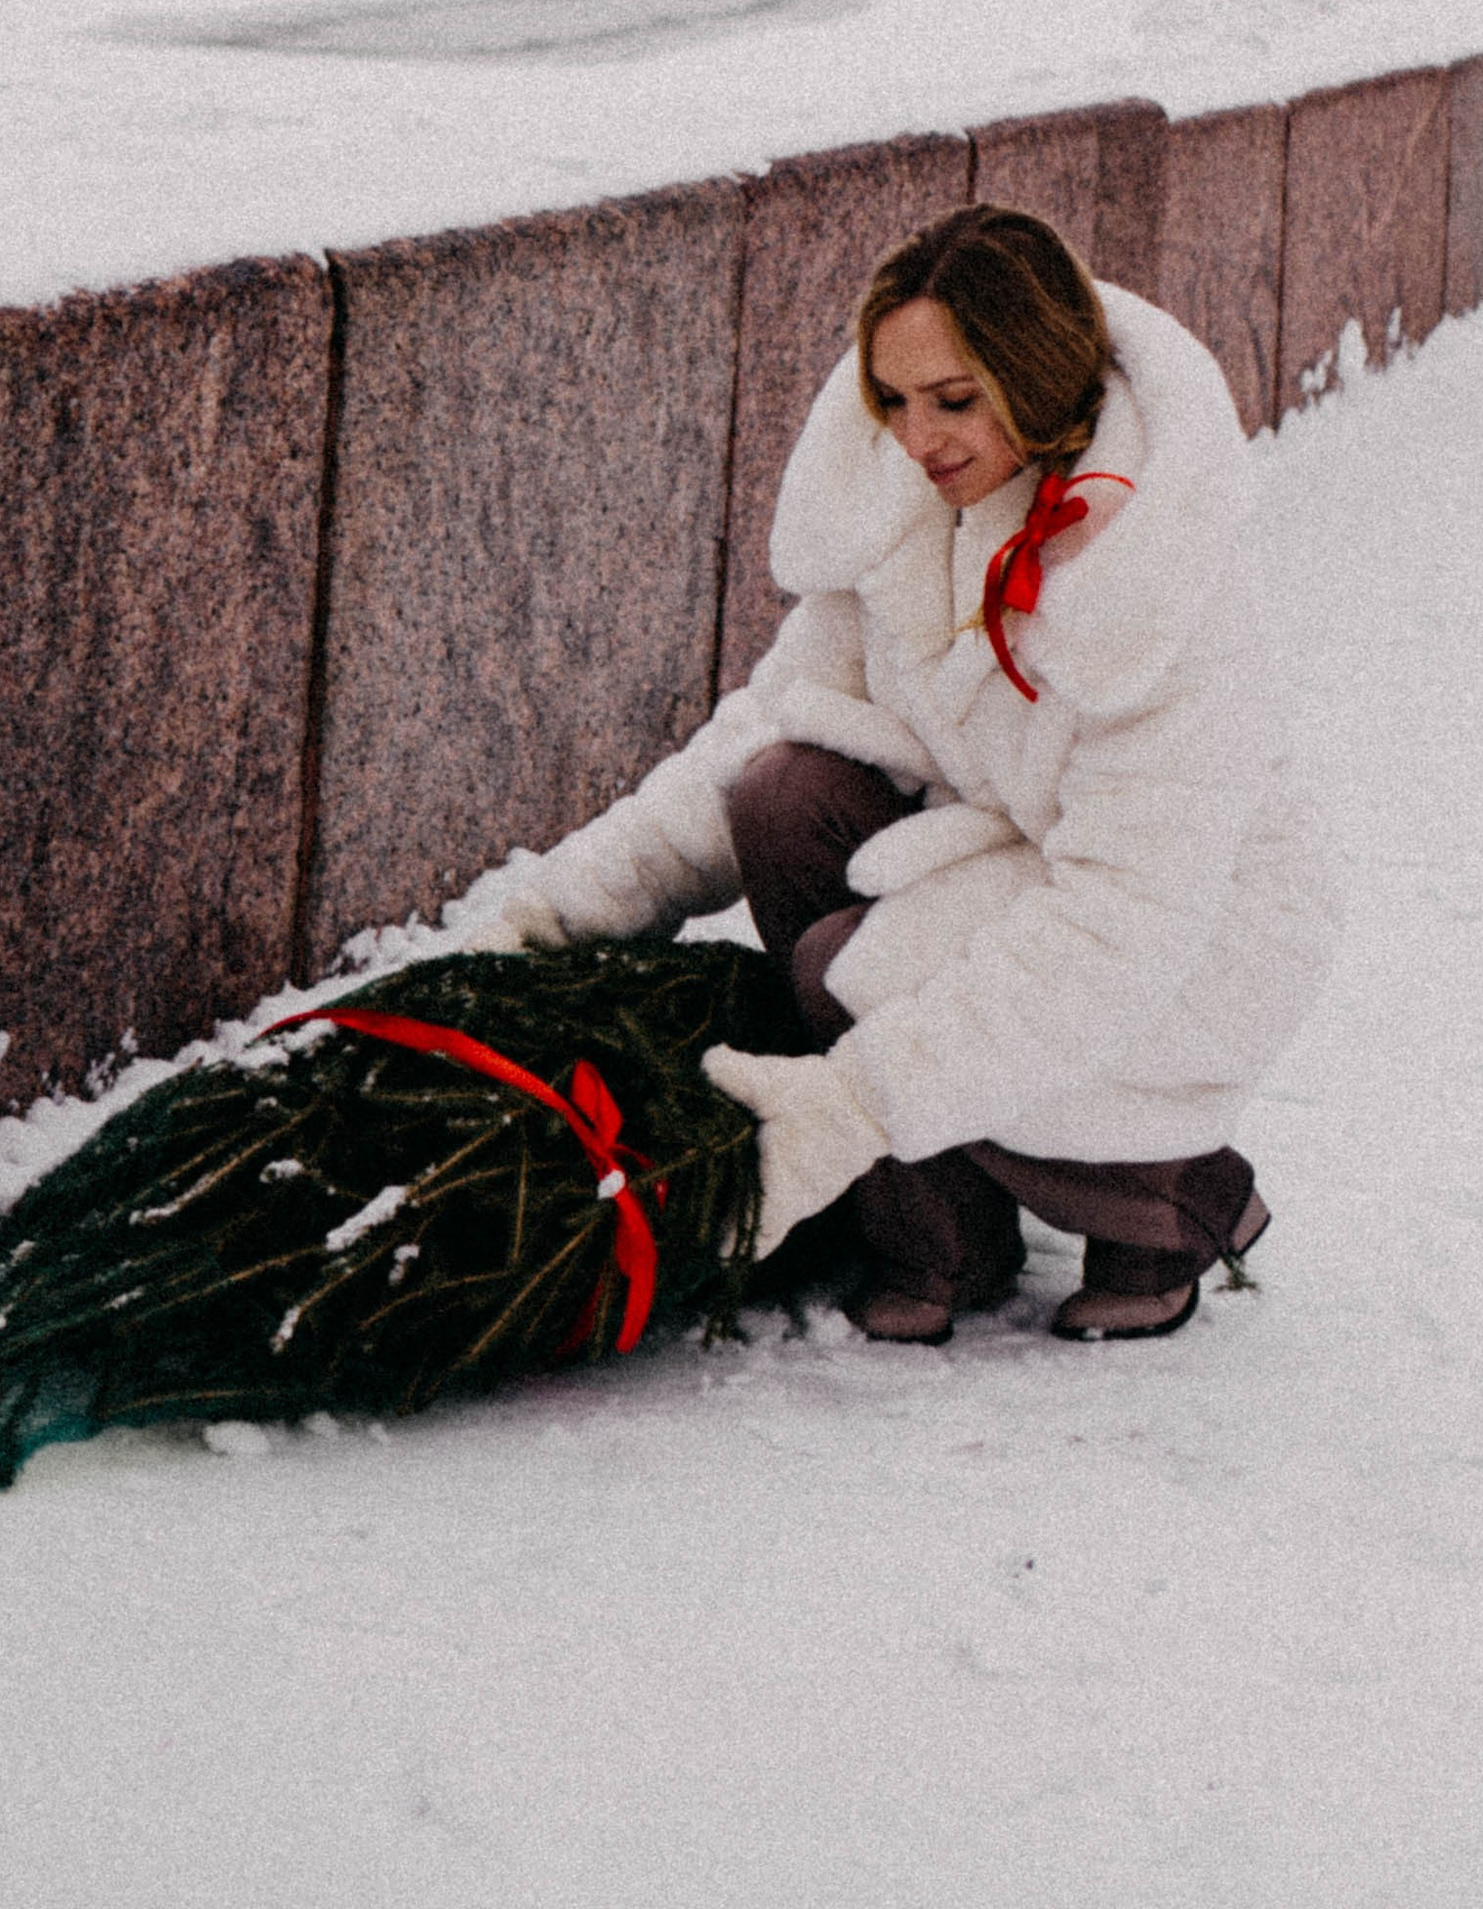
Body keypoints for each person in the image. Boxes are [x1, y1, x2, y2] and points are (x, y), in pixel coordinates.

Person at [451, 204, 1337, 1346]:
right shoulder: (916, 510)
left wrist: (853, 1101)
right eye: (895, 402)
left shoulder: (1165, 586)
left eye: (955, 400)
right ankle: (945, 1235)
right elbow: (752, 737)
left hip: (1198, 928)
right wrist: (551, 917)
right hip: (1011, 857)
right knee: (779, 793)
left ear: (1032, 373)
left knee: (848, 968)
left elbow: (1123, 921)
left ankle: (1168, 1198)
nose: (919, 439)